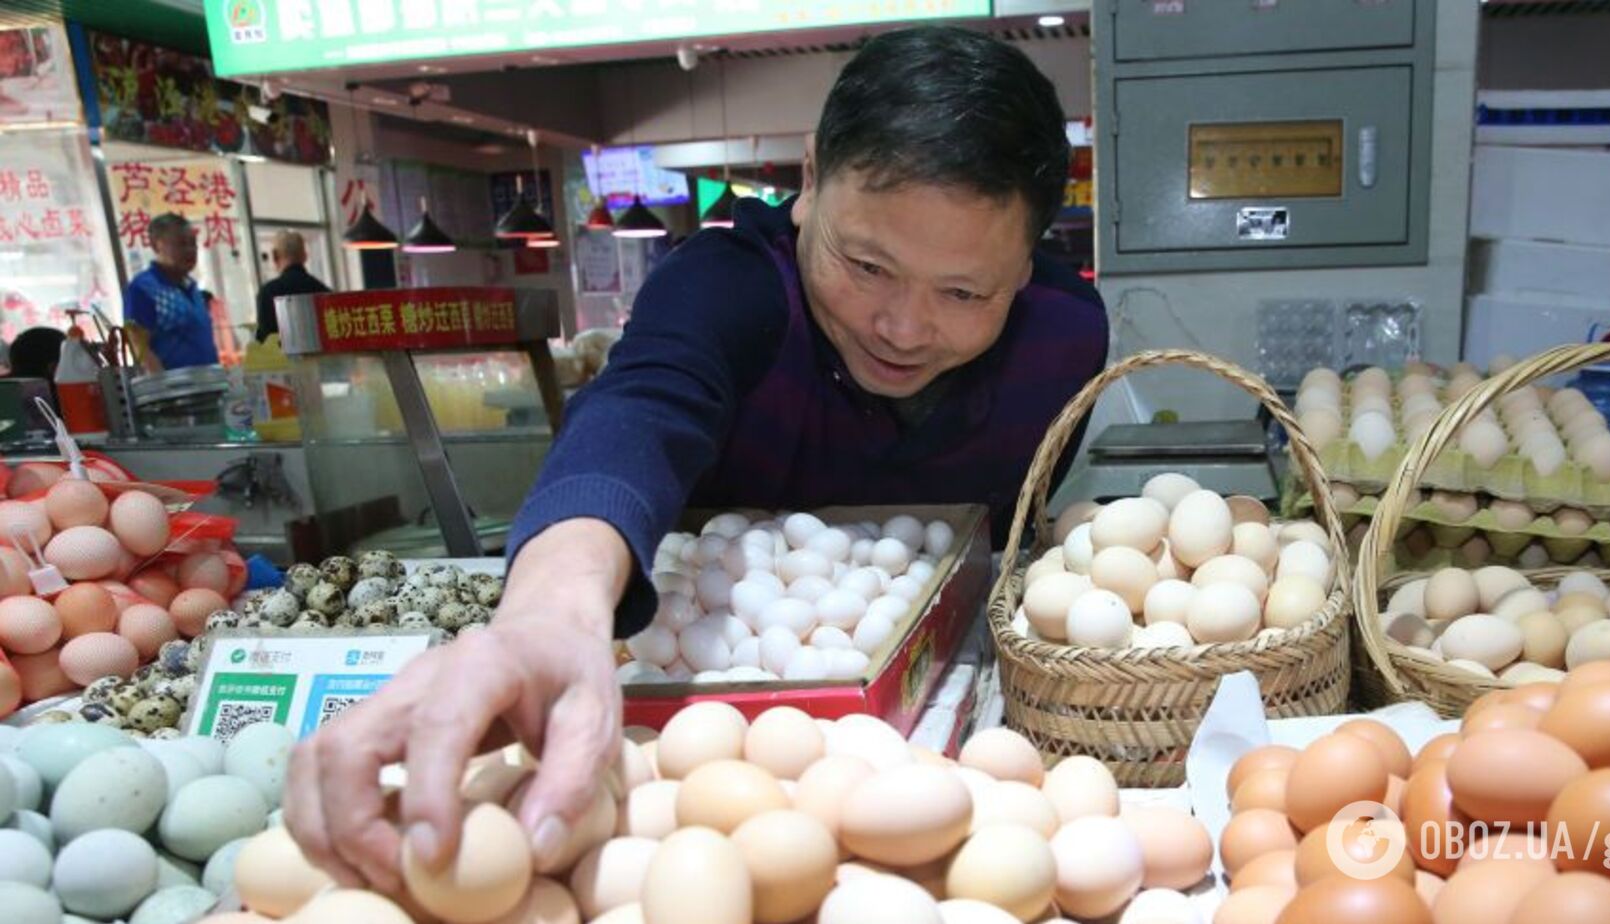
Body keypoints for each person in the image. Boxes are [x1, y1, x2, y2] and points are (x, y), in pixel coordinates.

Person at [287, 26, 1107, 891]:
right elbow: (642, 406)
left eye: (963, 292)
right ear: (810, 179)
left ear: (1027, 263)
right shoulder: (731, 284)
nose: (902, 328)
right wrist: (550, 612)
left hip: (932, 738)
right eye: (867, 265)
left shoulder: (1061, 346)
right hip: (694, 728)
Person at [123, 213, 219, 371]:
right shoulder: (143, 288)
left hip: (211, 380)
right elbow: (139, 347)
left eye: (193, 243)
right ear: (156, 245)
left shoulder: (192, 287)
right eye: (181, 244)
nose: (190, 250)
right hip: (175, 384)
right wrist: (160, 382)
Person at [254, 230, 331, 342]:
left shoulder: (268, 293)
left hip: (282, 353)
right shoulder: (325, 292)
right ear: (305, 256)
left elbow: (265, 341)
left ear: (275, 256)